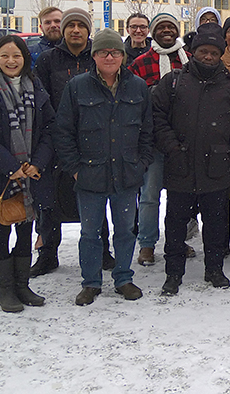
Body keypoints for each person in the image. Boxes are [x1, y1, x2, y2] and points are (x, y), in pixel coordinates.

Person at [54, 28, 153, 306]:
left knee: (125, 230)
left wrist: (141, 163)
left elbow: (147, 131)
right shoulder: (77, 87)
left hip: (126, 174)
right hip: (90, 174)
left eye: (114, 52)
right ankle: (91, 282)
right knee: (90, 233)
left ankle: (123, 278)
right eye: (102, 52)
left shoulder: (138, 87)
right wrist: (74, 167)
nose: (109, 57)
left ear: (122, 56)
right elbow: (64, 131)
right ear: (94, 55)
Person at [152, 23, 230, 294]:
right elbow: (157, 117)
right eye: (203, 51)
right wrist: (172, 147)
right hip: (180, 165)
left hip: (216, 168)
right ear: (193, 53)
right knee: (175, 224)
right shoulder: (174, 82)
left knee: (216, 223)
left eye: (214, 53)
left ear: (220, 55)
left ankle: (214, 269)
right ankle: (173, 273)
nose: (208, 57)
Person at [0, 35, 55, 312]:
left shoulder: (35, 87)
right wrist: (11, 167)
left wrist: (36, 163)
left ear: (24, 59)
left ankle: (22, 285)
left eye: (16, 56)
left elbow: (50, 129)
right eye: (4, 55)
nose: (11, 61)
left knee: (26, 228)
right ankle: (5, 290)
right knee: (1, 229)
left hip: (32, 173)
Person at [31, 7, 114, 276]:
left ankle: (102, 251)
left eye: (81, 25)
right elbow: (40, 99)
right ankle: (48, 253)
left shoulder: (98, 57)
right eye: (70, 25)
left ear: (88, 30)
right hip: (56, 139)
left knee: (94, 195)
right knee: (50, 199)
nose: (75, 30)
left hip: (94, 139)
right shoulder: (47, 60)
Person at [129, 12, 191, 267]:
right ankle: (146, 244)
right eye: (161, 27)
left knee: (181, 196)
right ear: (153, 33)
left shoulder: (189, 61)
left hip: (183, 140)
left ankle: (176, 241)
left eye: (171, 27)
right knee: (150, 195)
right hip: (153, 140)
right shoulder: (141, 63)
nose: (166, 31)